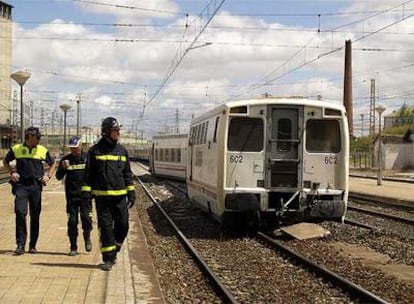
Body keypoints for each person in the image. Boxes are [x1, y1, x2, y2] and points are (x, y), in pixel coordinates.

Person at [82, 117, 135, 271]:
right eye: (115, 130)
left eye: (119, 130)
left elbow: (127, 173)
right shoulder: (94, 151)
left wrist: (131, 192)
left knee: (123, 226)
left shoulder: (122, 150)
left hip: (120, 198)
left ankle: (115, 247)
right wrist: (86, 197)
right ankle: (108, 259)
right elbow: (88, 176)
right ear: (106, 132)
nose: (118, 133)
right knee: (105, 229)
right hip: (102, 198)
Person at [3, 127, 56, 255]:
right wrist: (12, 172)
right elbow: (5, 161)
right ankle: (20, 244)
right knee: (20, 212)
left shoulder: (42, 150)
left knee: (35, 215)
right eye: (37, 137)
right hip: (21, 185)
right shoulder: (16, 149)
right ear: (29, 137)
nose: (39, 140)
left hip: (36, 186)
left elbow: (52, 163)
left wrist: (48, 176)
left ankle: (33, 245)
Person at [55, 136, 93, 256]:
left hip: (86, 196)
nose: (74, 150)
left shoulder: (88, 158)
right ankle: (73, 247)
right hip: (71, 196)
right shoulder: (66, 159)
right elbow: (58, 176)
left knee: (86, 219)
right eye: (72, 148)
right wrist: (63, 167)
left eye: (76, 148)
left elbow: (95, 174)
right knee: (72, 222)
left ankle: (87, 237)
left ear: (81, 146)